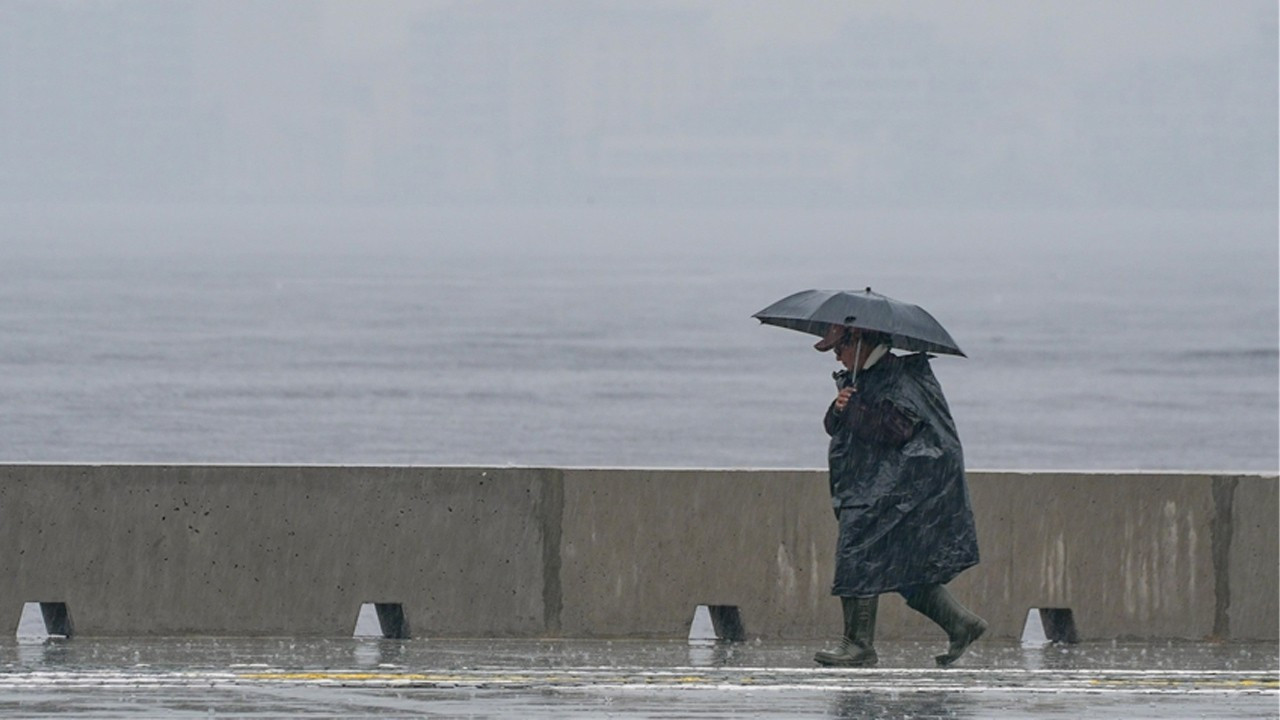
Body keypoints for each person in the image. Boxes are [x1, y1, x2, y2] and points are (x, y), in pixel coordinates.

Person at [811, 323, 987, 667]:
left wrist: (854, 407)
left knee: (857, 557)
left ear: (859, 342)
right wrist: (839, 408)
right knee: (904, 568)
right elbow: (836, 426)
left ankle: (858, 644)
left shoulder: (900, 378)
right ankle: (962, 624)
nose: (836, 354)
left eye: (839, 347)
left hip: (893, 492)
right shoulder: (861, 377)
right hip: (868, 487)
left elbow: (897, 429)